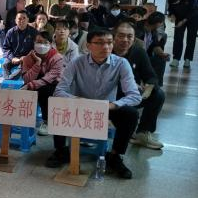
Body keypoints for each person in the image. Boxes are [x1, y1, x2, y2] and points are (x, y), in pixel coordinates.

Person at [45, 29, 142, 179]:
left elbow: (135, 96)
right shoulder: (77, 62)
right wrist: (78, 100)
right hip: (80, 105)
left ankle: (115, 155)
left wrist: (113, 105)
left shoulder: (121, 63)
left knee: (131, 114)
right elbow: (59, 90)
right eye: (100, 43)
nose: (106, 47)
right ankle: (61, 150)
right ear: (88, 45)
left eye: (109, 43)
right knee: (58, 102)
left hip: (106, 107)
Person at [112, 20, 165, 149]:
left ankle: (142, 133)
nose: (125, 40)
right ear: (114, 36)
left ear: (134, 38)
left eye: (129, 36)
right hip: (109, 96)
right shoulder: (105, 51)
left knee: (158, 94)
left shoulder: (138, 52)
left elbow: (151, 75)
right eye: (121, 35)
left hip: (131, 95)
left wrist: (149, 85)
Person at [20, 31, 65, 136]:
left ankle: (47, 121)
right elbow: (27, 79)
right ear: (34, 43)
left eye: (45, 42)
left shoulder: (57, 58)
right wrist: (37, 63)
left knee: (45, 91)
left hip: (54, 83)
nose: (42, 45)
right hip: (36, 82)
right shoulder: (28, 58)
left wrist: (30, 85)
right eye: (39, 42)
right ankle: (23, 119)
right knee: (23, 92)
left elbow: (49, 78)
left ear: (51, 44)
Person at [136, 11, 169, 85]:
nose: (161, 25)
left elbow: (155, 45)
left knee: (161, 60)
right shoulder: (138, 27)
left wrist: (162, 54)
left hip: (145, 56)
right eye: (162, 23)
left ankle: (156, 85)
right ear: (158, 23)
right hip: (136, 56)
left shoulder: (153, 30)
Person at [2, 11, 37, 78]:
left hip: (27, 57)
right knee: (5, 65)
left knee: (22, 68)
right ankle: (7, 80)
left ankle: (11, 80)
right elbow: (6, 48)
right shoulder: (10, 32)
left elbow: (36, 49)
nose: (22, 20)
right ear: (15, 21)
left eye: (24, 18)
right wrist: (12, 58)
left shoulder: (34, 32)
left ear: (28, 20)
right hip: (13, 56)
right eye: (19, 19)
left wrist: (26, 57)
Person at [167, 0, 197, 70]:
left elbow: (193, 10)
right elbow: (170, 9)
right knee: (178, 37)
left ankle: (188, 59)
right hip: (179, 17)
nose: (175, 4)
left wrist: (183, 21)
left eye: (176, 2)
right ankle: (176, 59)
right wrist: (172, 15)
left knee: (191, 38)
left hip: (193, 18)